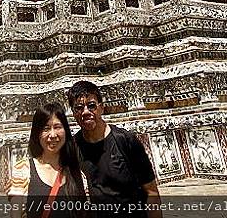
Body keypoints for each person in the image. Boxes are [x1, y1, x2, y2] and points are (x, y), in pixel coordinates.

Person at [68, 81, 162, 218]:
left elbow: (151, 192)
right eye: (79, 108)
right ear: (73, 113)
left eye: (91, 106)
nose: (85, 112)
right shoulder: (73, 147)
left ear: (101, 108)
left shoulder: (125, 140)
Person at [7, 102, 89, 218]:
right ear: (37, 134)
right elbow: (15, 214)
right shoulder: (23, 170)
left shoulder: (76, 170)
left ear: (65, 130)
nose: (52, 135)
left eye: (57, 127)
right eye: (46, 129)